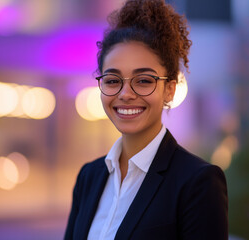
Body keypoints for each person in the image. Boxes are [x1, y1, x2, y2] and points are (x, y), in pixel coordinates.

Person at [64, 0, 228, 239]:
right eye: (112, 80)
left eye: (143, 80)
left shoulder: (198, 182)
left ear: (170, 90)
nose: (125, 94)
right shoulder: (89, 177)